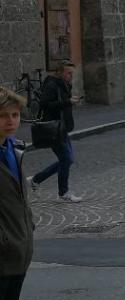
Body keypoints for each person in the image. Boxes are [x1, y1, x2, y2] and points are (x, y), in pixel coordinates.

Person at [0, 86, 41, 300]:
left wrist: (28, 227)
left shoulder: (13, 149)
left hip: (17, 250)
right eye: (3, 116)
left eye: (14, 115)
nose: (10, 121)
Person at [29, 62, 82, 202]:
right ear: (59, 72)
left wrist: (71, 101)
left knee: (67, 160)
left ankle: (37, 179)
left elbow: (62, 103)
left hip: (62, 128)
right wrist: (68, 102)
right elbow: (44, 104)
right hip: (53, 129)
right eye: (68, 73)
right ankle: (63, 193)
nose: (71, 76)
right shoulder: (52, 85)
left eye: (72, 73)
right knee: (67, 159)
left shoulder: (64, 84)